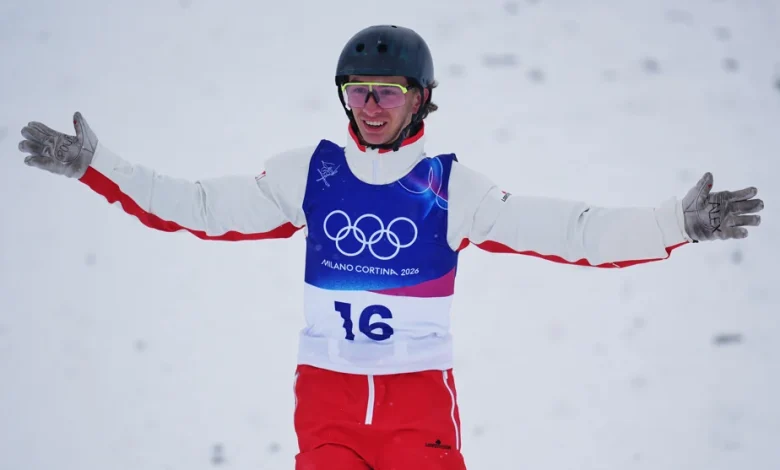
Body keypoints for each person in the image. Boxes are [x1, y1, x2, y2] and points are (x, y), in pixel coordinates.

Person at [17, 24, 764, 470]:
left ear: (421, 99)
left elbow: (573, 232)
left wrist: (675, 223)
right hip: (327, 408)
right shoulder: (311, 174)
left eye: (389, 92)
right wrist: (96, 165)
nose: (371, 108)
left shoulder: (449, 188)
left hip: (418, 410)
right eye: (358, 91)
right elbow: (200, 209)